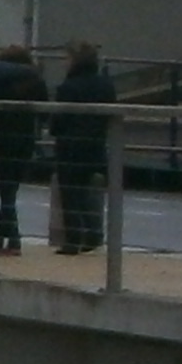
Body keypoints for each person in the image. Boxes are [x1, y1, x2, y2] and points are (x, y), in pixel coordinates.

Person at [51, 38, 118, 253]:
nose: (63, 62)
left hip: (70, 146)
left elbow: (59, 121)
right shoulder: (106, 85)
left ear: (74, 60)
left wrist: (54, 130)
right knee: (90, 192)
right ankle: (94, 234)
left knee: (70, 193)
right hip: (96, 143)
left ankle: (72, 239)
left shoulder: (68, 87)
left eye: (66, 58)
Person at [0, 40, 48, 254]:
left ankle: (8, 236)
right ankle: (7, 236)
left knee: (3, 187)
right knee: (11, 188)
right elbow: (45, 112)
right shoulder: (35, 80)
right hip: (25, 136)